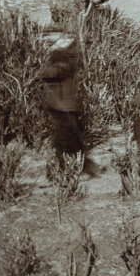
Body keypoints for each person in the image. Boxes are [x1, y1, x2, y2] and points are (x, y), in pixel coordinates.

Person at [38, 30, 99, 179]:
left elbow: (59, 71)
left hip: (66, 104)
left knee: (62, 140)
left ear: (60, 35)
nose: (46, 38)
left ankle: (59, 173)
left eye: (50, 34)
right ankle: (86, 168)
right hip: (60, 104)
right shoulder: (59, 50)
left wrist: (38, 71)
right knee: (71, 140)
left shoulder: (67, 52)